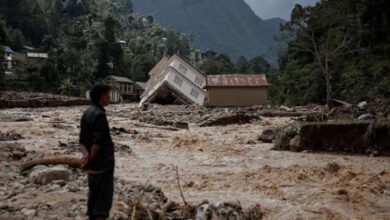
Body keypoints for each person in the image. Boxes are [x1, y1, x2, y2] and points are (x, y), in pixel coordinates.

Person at [79, 84, 115, 220]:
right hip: (102, 167)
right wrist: (91, 159)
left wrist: (86, 157)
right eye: (108, 94)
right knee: (101, 209)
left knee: (93, 204)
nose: (109, 97)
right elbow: (97, 143)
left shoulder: (87, 113)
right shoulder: (100, 115)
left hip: (92, 170)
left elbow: (81, 142)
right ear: (102, 96)